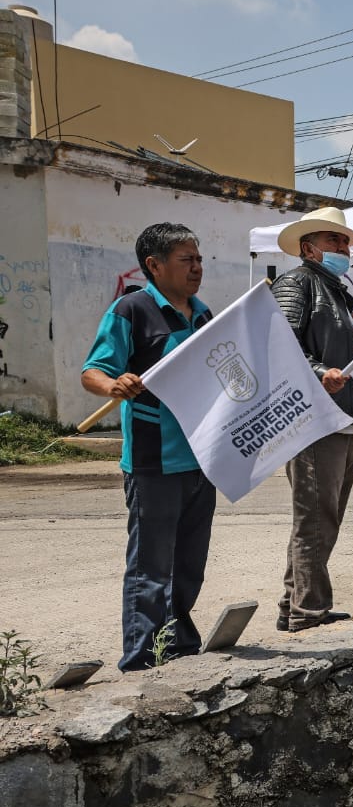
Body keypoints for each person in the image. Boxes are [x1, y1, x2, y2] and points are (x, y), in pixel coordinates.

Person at [81, 223, 216, 670]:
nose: (196, 268)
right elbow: (92, 371)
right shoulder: (132, 310)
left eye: (198, 259)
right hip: (153, 460)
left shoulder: (204, 315)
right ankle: (141, 656)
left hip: (202, 457)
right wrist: (113, 383)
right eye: (186, 260)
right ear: (154, 266)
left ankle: (177, 642)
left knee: (189, 564)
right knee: (150, 567)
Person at [272, 206, 353, 632]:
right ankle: (308, 612)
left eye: (345, 241)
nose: (343, 248)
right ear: (309, 249)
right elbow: (278, 343)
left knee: (322, 516)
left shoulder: (336, 291)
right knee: (315, 518)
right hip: (314, 418)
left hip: (342, 416)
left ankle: (294, 604)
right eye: (335, 241)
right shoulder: (298, 283)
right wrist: (317, 373)